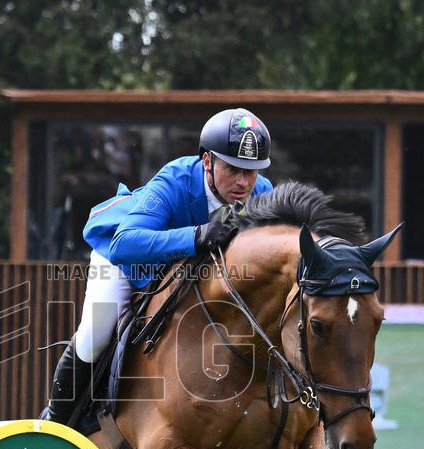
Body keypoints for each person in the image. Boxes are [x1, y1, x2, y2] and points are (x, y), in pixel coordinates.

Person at [43, 108, 274, 424]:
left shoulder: (262, 193)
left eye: (251, 171)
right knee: (96, 332)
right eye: (233, 169)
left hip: (184, 273)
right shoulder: (175, 180)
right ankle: (54, 423)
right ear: (207, 161)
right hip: (124, 260)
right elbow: (125, 244)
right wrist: (196, 235)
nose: (243, 182)